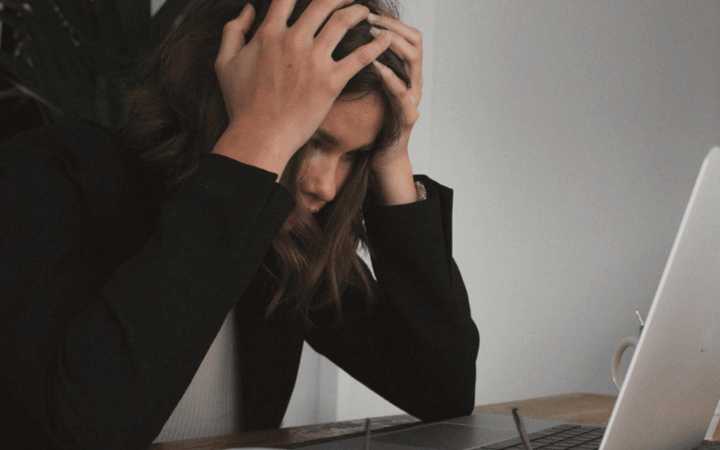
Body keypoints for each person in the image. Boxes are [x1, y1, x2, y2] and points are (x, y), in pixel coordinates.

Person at [0, 0, 479, 448]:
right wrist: (258, 138)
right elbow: (85, 429)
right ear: (225, 93)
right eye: (311, 138)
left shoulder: (283, 238)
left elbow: (441, 390)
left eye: (353, 156)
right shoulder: (49, 173)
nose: (326, 187)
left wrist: (392, 157)